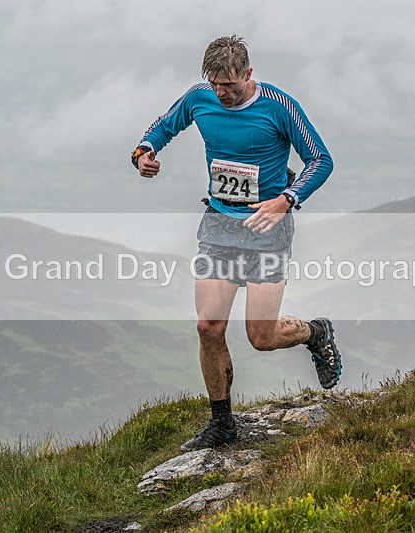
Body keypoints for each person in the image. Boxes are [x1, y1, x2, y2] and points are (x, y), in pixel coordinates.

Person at [131, 35, 341, 452]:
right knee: (208, 327)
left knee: (260, 337)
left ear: (248, 74)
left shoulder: (279, 107)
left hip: (268, 228)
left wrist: (286, 200)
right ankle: (222, 423)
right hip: (220, 225)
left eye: (230, 83)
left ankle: (316, 333)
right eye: (215, 84)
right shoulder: (200, 97)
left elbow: (321, 159)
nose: (222, 93)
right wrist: (143, 152)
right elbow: (164, 125)